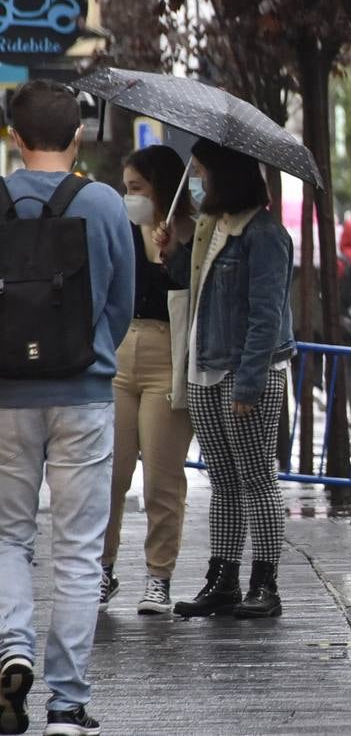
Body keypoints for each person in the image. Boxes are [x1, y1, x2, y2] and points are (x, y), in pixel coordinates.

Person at [0, 79, 133, 736]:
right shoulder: (105, 204)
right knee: (79, 551)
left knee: (5, 536)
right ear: (79, 134)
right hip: (84, 393)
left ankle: (11, 649)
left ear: (13, 137)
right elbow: (123, 304)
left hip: (4, 400)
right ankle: (68, 705)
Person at [155, 141, 294, 618]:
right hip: (205, 367)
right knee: (224, 480)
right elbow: (197, 290)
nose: (198, 181)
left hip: (245, 371)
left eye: (202, 172)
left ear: (225, 175)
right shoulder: (211, 228)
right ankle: (223, 577)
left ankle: (265, 582)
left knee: (257, 478)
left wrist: (249, 383)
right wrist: (171, 253)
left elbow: (266, 315)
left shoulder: (265, 234)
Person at [99, 146, 194, 617]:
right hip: (120, 354)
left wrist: (171, 254)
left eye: (137, 187)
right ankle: (103, 568)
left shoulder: (190, 234)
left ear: (160, 187)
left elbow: (195, 297)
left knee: (161, 478)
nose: (129, 196)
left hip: (167, 356)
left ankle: (159, 576)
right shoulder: (119, 230)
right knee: (110, 473)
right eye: (126, 187)